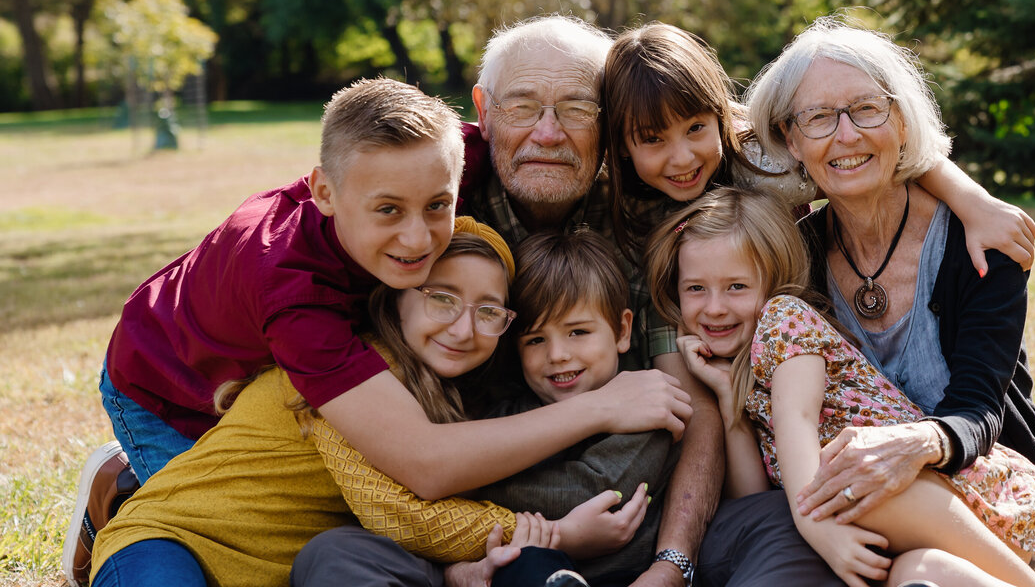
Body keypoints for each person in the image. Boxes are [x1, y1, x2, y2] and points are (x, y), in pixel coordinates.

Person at [66, 78, 690, 586]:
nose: (419, 239)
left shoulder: (434, 158)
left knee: (294, 519)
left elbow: (524, 139)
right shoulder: (301, 305)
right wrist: (598, 421)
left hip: (277, 455)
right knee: (225, 507)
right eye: (388, 210)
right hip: (162, 377)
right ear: (325, 192)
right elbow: (419, 472)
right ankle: (121, 494)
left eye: (437, 207)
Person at [294, 16, 713, 587]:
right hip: (447, 510)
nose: (548, 133)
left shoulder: (645, 226)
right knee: (336, 555)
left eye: (575, 109)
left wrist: (672, 564)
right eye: (522, 107)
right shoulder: (432, 217)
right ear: (484, 112)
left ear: (608, 123)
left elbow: (683, 402)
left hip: (605, 523)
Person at [743, 14, 1035, 586]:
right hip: (874, 532)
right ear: (792, 140)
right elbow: (696, 156)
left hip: (990, 507)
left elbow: (979, 412)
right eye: (818, 117)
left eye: (867, 109)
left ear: (901, 118)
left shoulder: (980, 245)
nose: (845, 135)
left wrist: (914, 443)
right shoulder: (790, 257)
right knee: (921, 575)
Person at [89, 220, 593, 587]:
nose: (463, 328)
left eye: (488, 311)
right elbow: (399, 514)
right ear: (398, 297)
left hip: (274, 572)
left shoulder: (446, 396)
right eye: (442, 298)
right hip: (172, 539)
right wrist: (557, 533)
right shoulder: (348, 372)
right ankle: (114, 505)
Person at [645, 186, 1035, 587]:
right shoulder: (743, 370)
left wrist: (815, 529)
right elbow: (755, 502)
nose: (715, 307)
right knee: (916, 574)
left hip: (961, 491)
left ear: (771, 283)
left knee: (850, 477)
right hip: (917, 529)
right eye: (696, 289)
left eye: (736, 286)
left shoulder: (784, 320)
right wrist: (728, 399)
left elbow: (798, 421)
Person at [601, 20, 1035, 272]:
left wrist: (975, 202)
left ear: (719, 114)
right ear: (621, 144)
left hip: (796, 312)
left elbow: (880, 157)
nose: (683, 157)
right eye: (653, 139)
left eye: (696, 129)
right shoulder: (612, 206)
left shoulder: (761, 163)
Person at [470, 229, 680, 586]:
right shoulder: (510, 413)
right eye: (535, 339)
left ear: (621, 330)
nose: (557, 355)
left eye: (578, 332)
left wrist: (473, 484)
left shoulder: (646, 405)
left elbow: (598, 490)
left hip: (622, 575)